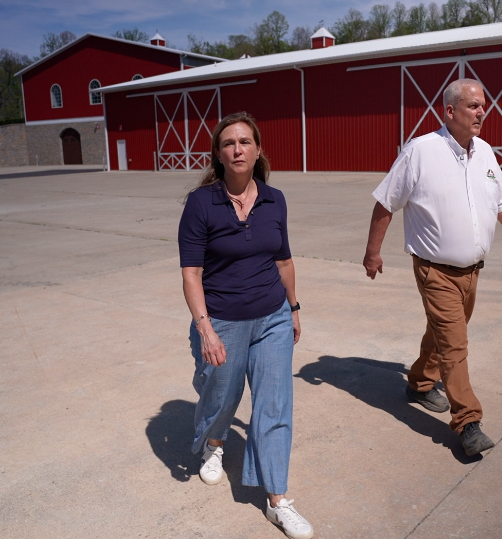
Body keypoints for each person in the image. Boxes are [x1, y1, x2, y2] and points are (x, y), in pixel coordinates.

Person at [362, 79, 502, 457]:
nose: (483, 112)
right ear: (450, 111)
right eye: (473, 106)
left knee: (444, 333)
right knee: (455, 344)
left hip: (472, 271)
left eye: (483, 105)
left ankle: (419, 382)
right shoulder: (420, 151)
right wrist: (373, 252)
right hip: (435, 270)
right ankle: (468, 421)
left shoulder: (485, 152)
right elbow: (386, 202)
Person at [178, 112, 313, 539]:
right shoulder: (201, 203)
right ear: (218, 155)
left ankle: (278, 500)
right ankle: (213, 442)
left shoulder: (275, 200)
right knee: (221, 393)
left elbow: (284, 260)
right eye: (228, 143)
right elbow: (191, 273)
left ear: (257, 151)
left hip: (273, 317)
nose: (237, 149)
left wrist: (293, 308)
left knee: (274, 406)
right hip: (222, 320)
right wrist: (205, 329)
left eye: (245, 142)